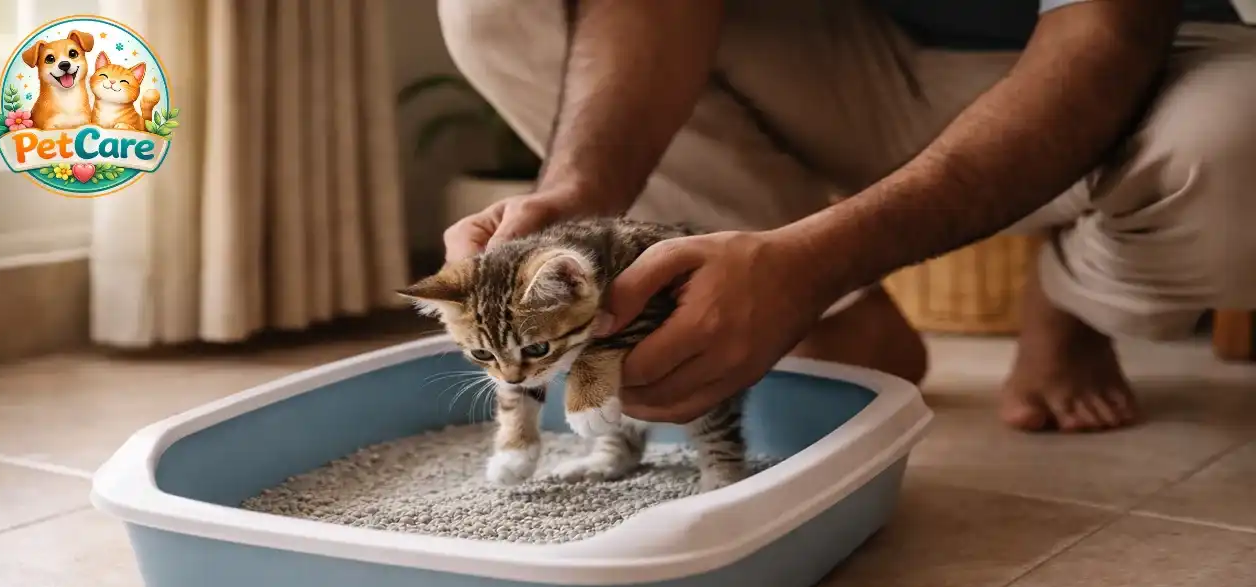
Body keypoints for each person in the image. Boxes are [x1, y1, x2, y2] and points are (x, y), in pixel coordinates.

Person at [436, 0, 1255, 432]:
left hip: (1132, 60)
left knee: (1239, 152)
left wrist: (816, 260)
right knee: (498, 4)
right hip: (849, 45)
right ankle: (841, 326)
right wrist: (577, 196)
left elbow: (1101, 41)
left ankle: (1073, 301)